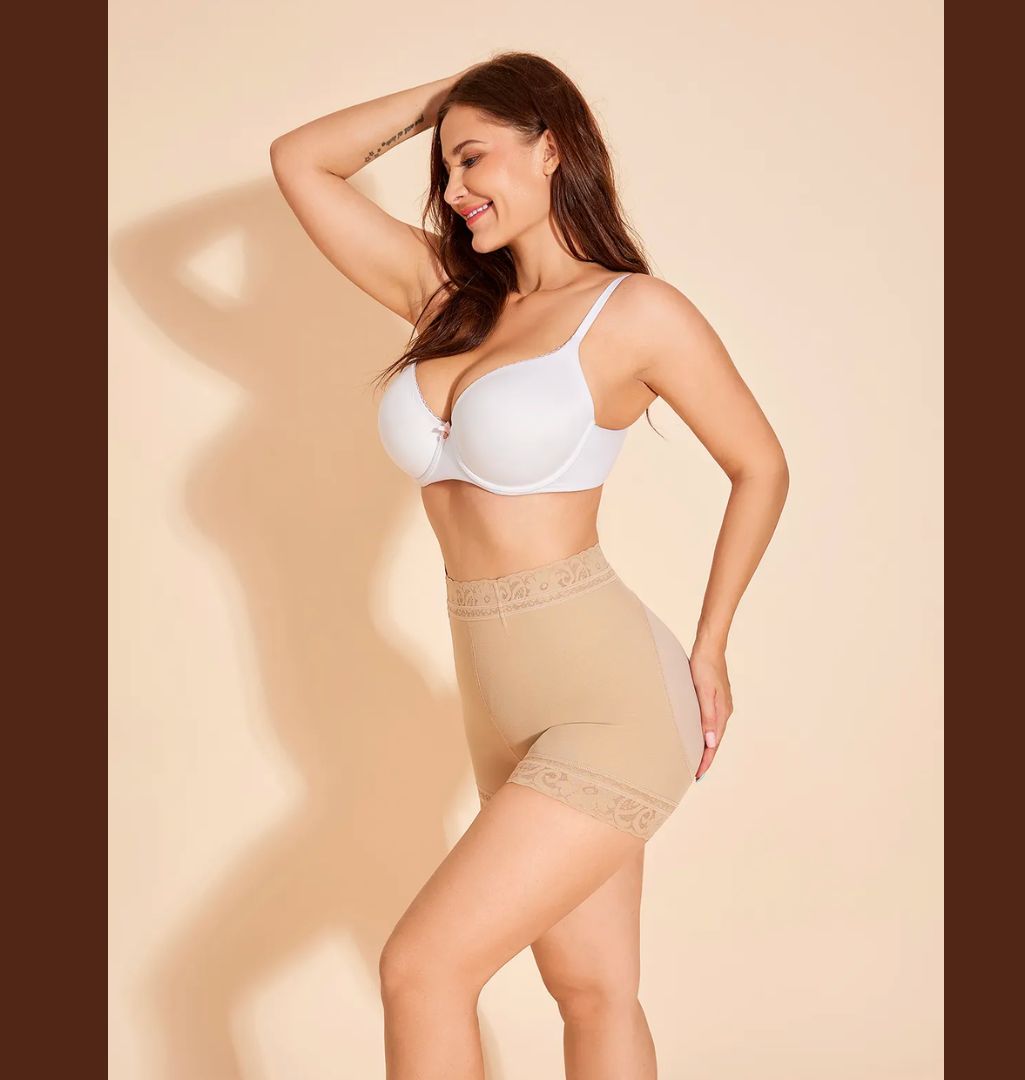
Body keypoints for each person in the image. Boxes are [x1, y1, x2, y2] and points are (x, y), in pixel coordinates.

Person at [270, 51, 789, 1080]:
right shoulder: (445, 299)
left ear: (551, 148)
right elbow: (299, 162)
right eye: (445, 167)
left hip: (611, 701)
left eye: (474, 158)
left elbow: (760, 465)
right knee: (592, 991)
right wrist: (446, 100)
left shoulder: (634, 312)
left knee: (423, 968)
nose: (455, 187)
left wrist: (713, 644)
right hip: (494, 699)